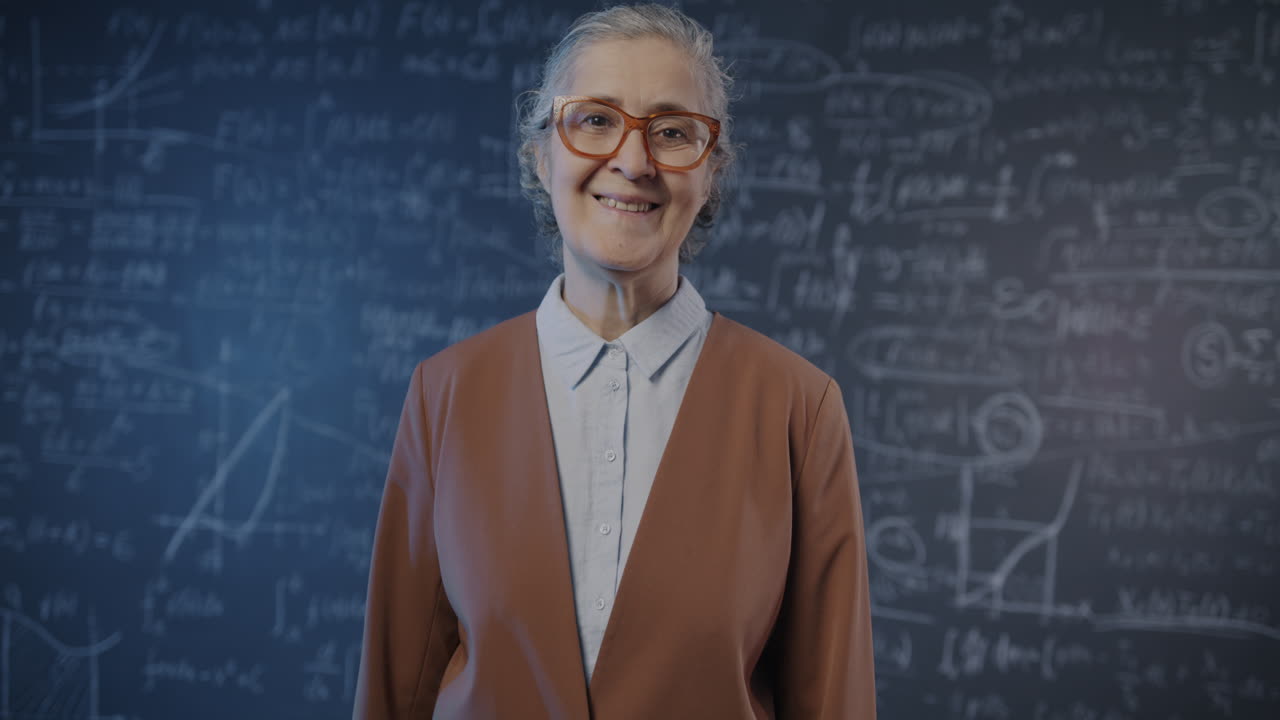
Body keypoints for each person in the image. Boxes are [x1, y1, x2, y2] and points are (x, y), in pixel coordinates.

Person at [353, 4, 876, 718]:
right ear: (542, 153)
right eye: (595, 119)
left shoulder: (799, 410)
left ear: (710, 172)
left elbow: (832, 703)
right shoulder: (443, 394)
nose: (633, 162)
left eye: (671, 132)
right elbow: (393, 690)